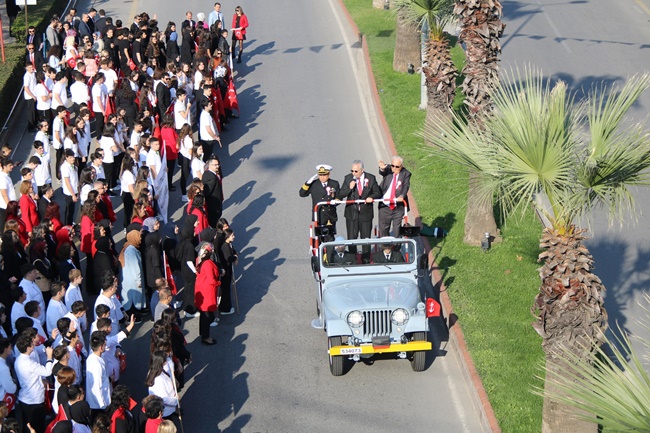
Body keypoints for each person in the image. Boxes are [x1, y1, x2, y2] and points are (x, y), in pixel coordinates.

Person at [337, 159, 382, 259]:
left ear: (362, 170)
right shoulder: (348, 178)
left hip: (365, 214)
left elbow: (377, 192)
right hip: (352, 214)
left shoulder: (371, 178)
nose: (353, 173)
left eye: (356, 171)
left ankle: (365, 259)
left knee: (365, 239)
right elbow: (341, 194)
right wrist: (349, 188)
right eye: (352, 171)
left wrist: (371, 197)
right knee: (352, 239)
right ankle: (353, 259)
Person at [14, 332, 54, 433]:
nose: (34, 345)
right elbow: (48, 371)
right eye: (32, 344)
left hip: (24, 398)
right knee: (37, 427)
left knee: (27, 426)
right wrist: (49, 357)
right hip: (35, 400)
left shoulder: (18, 360)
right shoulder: (29, 363)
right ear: (28, 348)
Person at [299, 164, 340, 240]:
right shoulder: (314, 184)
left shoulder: (334, 183)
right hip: (318, 215)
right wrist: (307, 183)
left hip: (329, 214)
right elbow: (302, 194)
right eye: (320, 175)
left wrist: (336, 201)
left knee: (330, 237)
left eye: (324, 175)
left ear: (329, 174)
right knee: (319, 238)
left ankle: (329, 248)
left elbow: (339, 196)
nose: (322, 177)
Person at [377, 156, 411, 237]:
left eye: (397, 167)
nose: (394, 168)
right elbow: (382, 172)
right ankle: (385, 245)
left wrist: (402, 195)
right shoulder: (389, 169)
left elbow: (406, 185)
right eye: (393, 166)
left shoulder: (406, 174)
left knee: (397, 230)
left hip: (397, 207)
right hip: (385, 206)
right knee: (384, 230)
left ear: (401, 166)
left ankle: (397, 245)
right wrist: (382, 168)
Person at [145, 351, 179, 427]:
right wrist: (176, 400)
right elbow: (164, 399)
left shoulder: (154, 371)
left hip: (165, 408)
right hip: (165, 410)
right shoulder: (158, 380)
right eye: (165, 359)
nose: (166, 361)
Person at [195, 242, 220, 345]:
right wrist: (219, 283)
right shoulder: (208, 264)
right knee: (206, 316)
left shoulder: (200, 260)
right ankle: (206, 337)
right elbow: (211, 280)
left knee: (204, 315)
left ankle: (203, 334)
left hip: (202, 289)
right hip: (207, 291)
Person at [120, 229, 145, 319]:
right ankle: (134, 316)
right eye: (139, 236)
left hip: (129, 277)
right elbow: (135, 267)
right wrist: (138, 281)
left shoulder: (128, 246)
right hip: (133, 279)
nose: (140, 238)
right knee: (134, 298)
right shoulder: (131, 251)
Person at [86, 331, 111, 413]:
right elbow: (97, 387)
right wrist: (103, 405)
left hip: (97, 403)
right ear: (101, 347)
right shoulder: (96, 364)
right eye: (104, 345)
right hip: (99, 405)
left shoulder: (92, 357)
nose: (105, 346)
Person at [146, 138, 169, 223]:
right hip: (154, 181)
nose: (158, 146)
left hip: (159, 178)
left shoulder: (156, 153)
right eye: (156, 144)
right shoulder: (151, 155)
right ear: (151, 145)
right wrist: (157, 182)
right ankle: (155, 214)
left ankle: (157, 212)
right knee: (155, 198)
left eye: (158, 144)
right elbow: (153, 170)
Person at [218, 228, 237, 315]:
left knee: (227, 289)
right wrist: (235, 258)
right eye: (232, 235)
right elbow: (228, 258)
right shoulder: (225, 246)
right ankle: (224, 309)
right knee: (225, 289)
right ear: (227, 237)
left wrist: (235, 254)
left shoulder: (228, 244)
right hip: (225, 271)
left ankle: (226, 307)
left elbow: (233, 251)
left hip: (227, 270)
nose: (234, 237)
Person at [201, 155, 223, 227]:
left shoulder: (206, 173)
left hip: (212, 205)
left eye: (218, 164)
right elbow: (207, 192)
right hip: (214, 205)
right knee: (214, 222)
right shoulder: (212, 178)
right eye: (215, 165)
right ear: (210, 165)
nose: (217, 166)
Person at [61, 150, 79, 226]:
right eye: (71, 157)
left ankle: (70, 223)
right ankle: (68, 225)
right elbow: (67, 182)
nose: (73, 159)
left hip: (74, 190)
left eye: (73, 157)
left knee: (72, 209)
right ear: (66, 158)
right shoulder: (65, 167)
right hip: (69, 193)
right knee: (69, 210)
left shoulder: (72, 165)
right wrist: (73, 195)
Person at [0, 158, 16, 233]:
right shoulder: (3, 178)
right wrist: (9, 205)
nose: (12, 166)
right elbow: (4, 193)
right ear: (4, 166)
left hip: (8, 205)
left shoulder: (6, 176)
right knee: (4, 223)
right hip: (5, 206)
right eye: (10, 165)